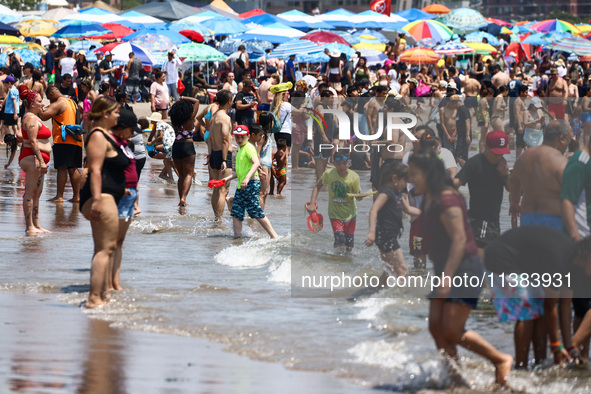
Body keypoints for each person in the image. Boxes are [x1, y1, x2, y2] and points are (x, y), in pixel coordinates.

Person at [408, 148, 513, 387]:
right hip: (446, 270)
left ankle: (500, 359)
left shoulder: (447, 198)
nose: (410, 180)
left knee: (453, 330)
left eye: (414, 174)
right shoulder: (433, 197)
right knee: (436, 327)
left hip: (464, 270)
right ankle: (454, 377)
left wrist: (446, 279)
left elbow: (459, 240)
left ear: (429, 174)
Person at [507, 120, 570, 367]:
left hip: (528, 225)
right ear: (562, 139)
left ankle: (523, 363)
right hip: (552, 228)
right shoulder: (561, 163)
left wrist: (514, 203)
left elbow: (514, 185)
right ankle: (554, 357)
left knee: (529, 300)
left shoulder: (524, 158)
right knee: (550, 298)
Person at [484, 226, 591, 366]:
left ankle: (539, 364)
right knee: (527, 312)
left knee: (538, 310)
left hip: (524, 264)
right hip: (502, 257)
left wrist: (569, 347)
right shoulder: (561, 259)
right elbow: (550, 305)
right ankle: (520, 368)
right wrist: (556, 346)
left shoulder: (574, 265)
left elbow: (564, 306)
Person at [80, 97, 130, 308]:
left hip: (110, 195)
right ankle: (94, 298)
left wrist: (122, 187)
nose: (118, 116)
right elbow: (96, 170)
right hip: (101, 197)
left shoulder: (107, 135)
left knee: (103, 247)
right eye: (115, 112)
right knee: (105, 248)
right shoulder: (98, 136)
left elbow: (109, 169)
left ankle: (100, 293)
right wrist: (98, 200)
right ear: (105, 114)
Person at [454, 130, 511, 258]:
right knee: (481, 253)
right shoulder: (474, 163)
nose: (499, 156)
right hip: (479, 218)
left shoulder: (502, 164)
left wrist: (506, 174)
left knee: (492, 255)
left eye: (502, 153)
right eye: (496, 153)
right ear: (486, 147)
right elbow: (455, 183)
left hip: (494, 219)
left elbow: (511, 189)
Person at [366, 162, 420, 286]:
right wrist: (371, 233)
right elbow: (374, 209)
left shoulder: (397, 193)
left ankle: (377, 292)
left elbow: (408, 209)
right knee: (402, 270)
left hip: (389, 236)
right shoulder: (386, 191)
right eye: (405, 181)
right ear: (395, 178)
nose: (405, 184)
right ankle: (398, 295)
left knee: (388, 271)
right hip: (385, 235)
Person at [221, 125, 278, 239]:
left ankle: (274, 236)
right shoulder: (240, 150)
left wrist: (247, 178)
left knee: (255, 210)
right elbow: (240, 172)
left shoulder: (249, 147)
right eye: (237, 137)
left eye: (242, 137)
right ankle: (237, 237)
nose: (240, 140)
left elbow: (256, 162)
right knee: (236, 212)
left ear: (248, 136)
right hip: (242, 185)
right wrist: (226, 179)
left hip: (251, 184)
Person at [308, 152, 361, 254]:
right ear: (334, 164)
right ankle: (335, 259)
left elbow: (358, 195)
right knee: (340, 240)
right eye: (339, 164)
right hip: (335, 214)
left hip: (351, 214)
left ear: (349, 163)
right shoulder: (329, 174)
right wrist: (312, 203)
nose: (341, 166)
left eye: (344, 163)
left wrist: (360, 197)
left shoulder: (355, 177)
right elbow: (317, 187)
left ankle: (346, 263)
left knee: (349, 245)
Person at [110, 109, 138, 291]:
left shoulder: (125, 144)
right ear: (121, 128)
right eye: (131, 129)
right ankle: (107, 282)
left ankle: (115, 282)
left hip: (130, 196)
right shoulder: (111, 143)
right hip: (120, 195)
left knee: (119, 242)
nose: (133, 133)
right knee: (111, 242)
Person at [39, 85, 82, 203]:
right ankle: (77, 196)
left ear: (51, 95)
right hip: (76, 139)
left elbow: (43, 116)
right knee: (73, 168)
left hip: (63, 140)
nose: (50, 101)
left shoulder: (59, 103)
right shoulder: (72, 102)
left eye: (49, 98)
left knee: (62, 168)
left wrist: (38, 106)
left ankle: (59, 196)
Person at [18, 87, 52, 235]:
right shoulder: (31, 118)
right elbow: (32, 141)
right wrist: (41, 160)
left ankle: (37, 225)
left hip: (37, 159)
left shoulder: (34, 117)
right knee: (30, 193)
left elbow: (21, 134)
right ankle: (29, 227)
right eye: (39, 101)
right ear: (32, 104)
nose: (42, 103)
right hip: (32, 158)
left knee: (37, 194)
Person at [208, 90, 234, 219]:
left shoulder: (214, 116)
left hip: (213, 153)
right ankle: (218, 220)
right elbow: (225, 139)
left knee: (216, 189)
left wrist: (209, 154)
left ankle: (216, 218)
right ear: (229, 101)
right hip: (224, 155)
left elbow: (210, 139)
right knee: (223, 191)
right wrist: (224, 160)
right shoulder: (225, 117)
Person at [169, 98, 198, 207]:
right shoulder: (190, 118)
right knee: (189, 174)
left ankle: (181, 198)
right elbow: (196, 101)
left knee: (181, 175)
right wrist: (183, 98)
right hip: (187, 145)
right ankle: (183, 198)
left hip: (176, 145)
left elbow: (173, 108)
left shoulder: (174, 119)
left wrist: (178, 102)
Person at [270, 81, 292, 159]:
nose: (288, 96)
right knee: (285, 155)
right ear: (282, 95)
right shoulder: (286, 105)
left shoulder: (274, 106)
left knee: (280, 154)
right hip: (286, 132)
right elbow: (298, 112)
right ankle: (283, 171)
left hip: (277, 133)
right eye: (287, 94)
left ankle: (277, 168)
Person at [513, 85, 529, 157]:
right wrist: (519, 126)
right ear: (521, 92)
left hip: (523, 125)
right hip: (519, 125)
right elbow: (517, 113)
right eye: (526, 92)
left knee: (521, 144)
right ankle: (526, 161)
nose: (527, 94)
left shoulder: (522, 101)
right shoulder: (518, 101)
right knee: (523, 143)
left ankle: (518, 161)